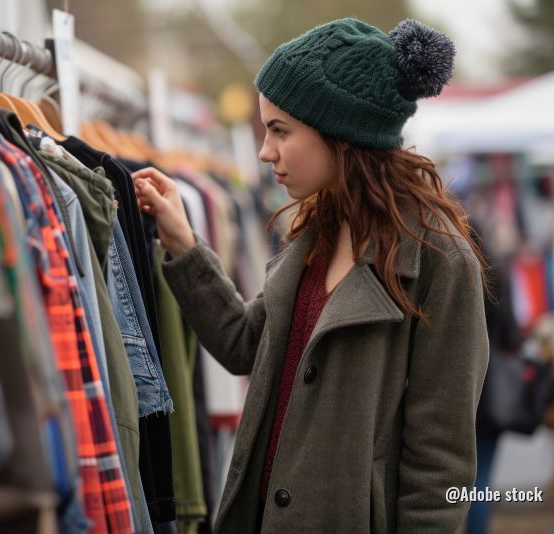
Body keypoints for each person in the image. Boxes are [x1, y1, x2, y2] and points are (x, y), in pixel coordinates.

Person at [132, 17, 490, 534]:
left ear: (341, 135)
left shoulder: (439, 261)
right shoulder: (314, 234)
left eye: (280, 130)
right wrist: (183, 242)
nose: (264, 151)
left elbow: (442, 460)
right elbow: (245, 344)